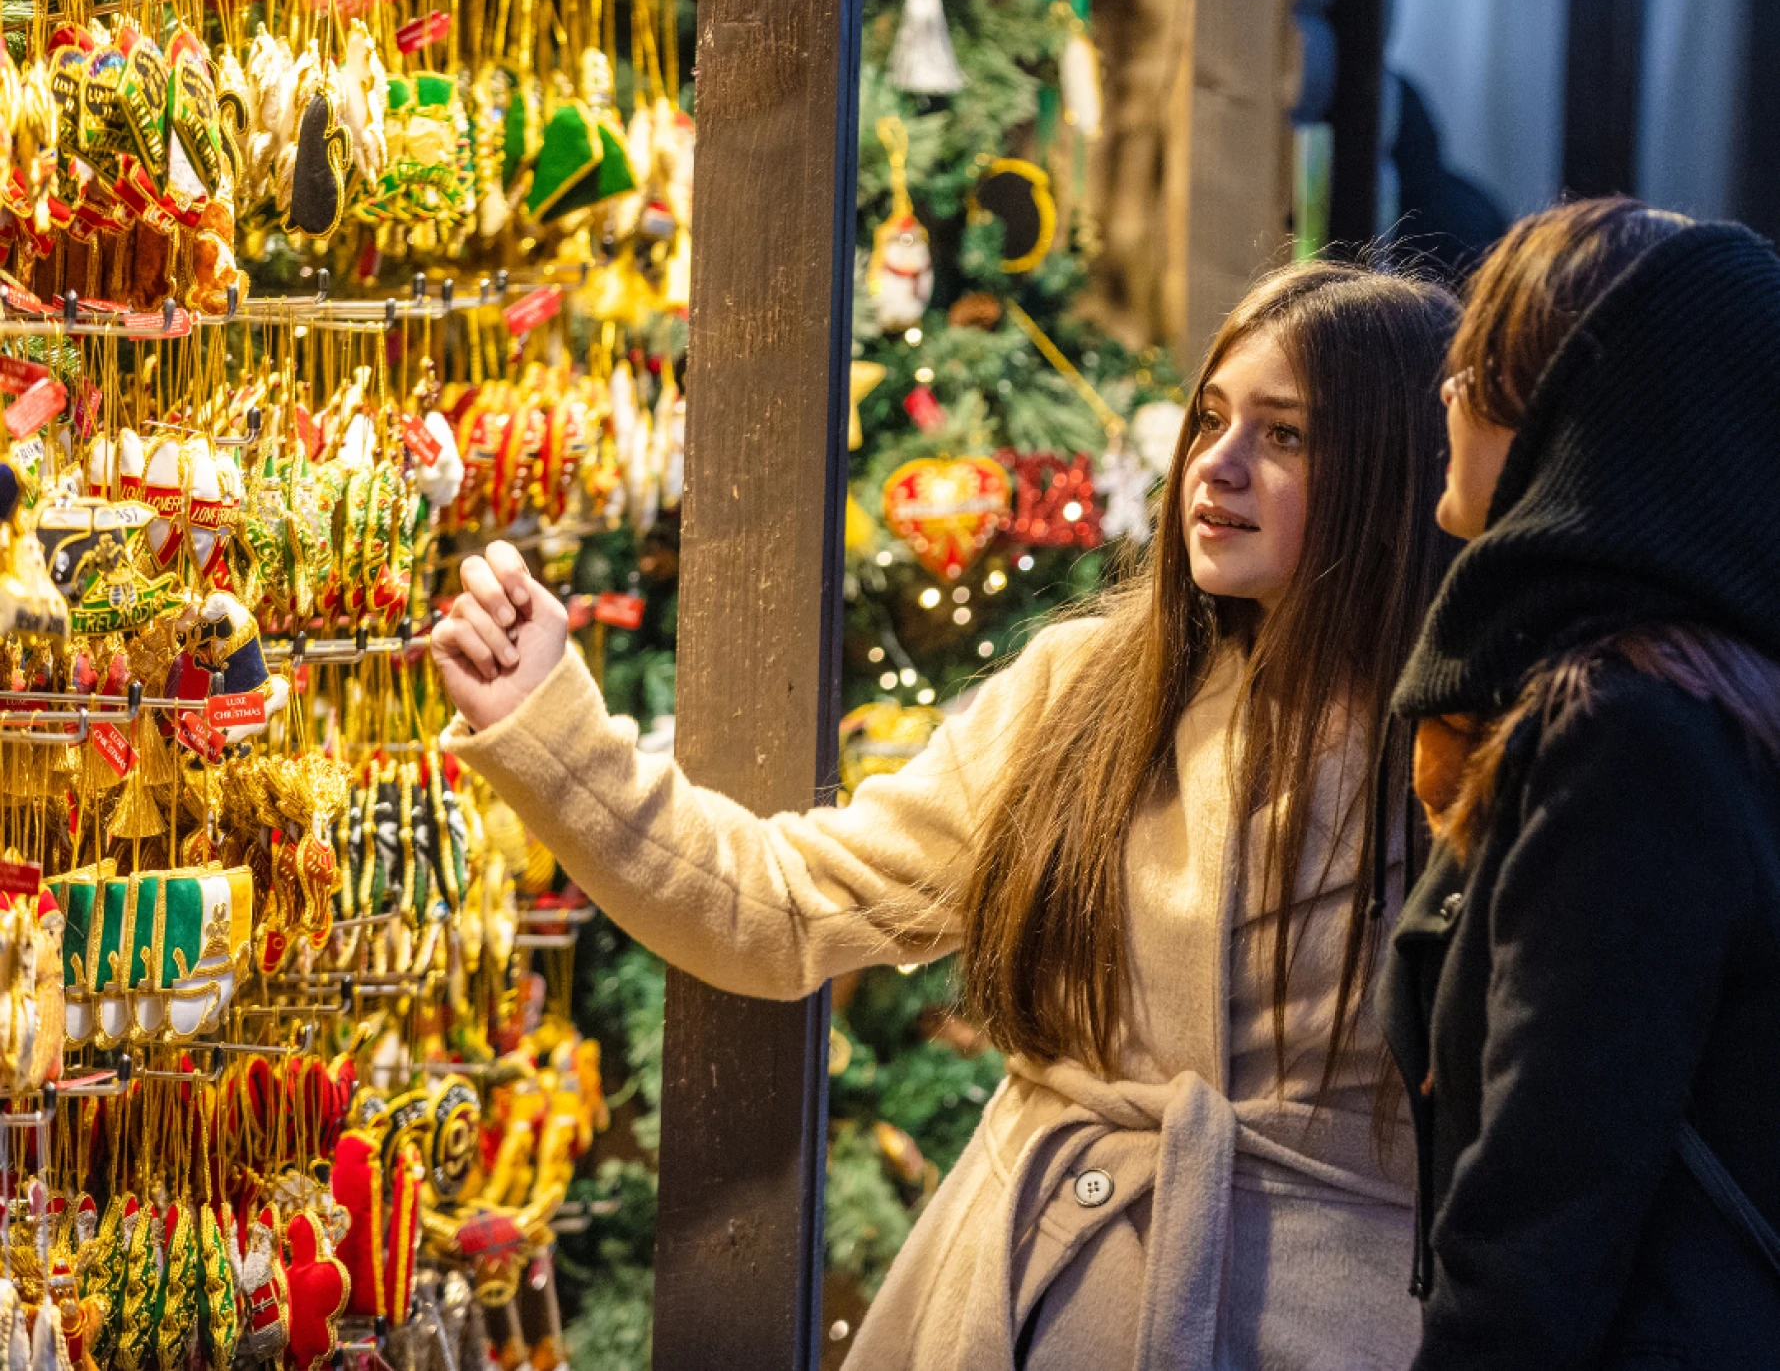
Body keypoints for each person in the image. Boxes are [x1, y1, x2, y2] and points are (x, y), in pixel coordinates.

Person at [433, 260, 1459, 1371]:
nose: (1216, 463)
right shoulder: (1087, 693)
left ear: (1392, 471)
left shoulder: (1469, 756)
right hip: (1018, 1297)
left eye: (1285, 435)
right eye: (1210, 418)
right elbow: (780, 905)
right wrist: (548, 726)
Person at [1379, 199, 1780, 1369]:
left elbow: (1544, 1204)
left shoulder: (1624, 730)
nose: (1446, 395)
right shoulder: (1714, 693)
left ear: (1577, 420)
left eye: (1482, 372)